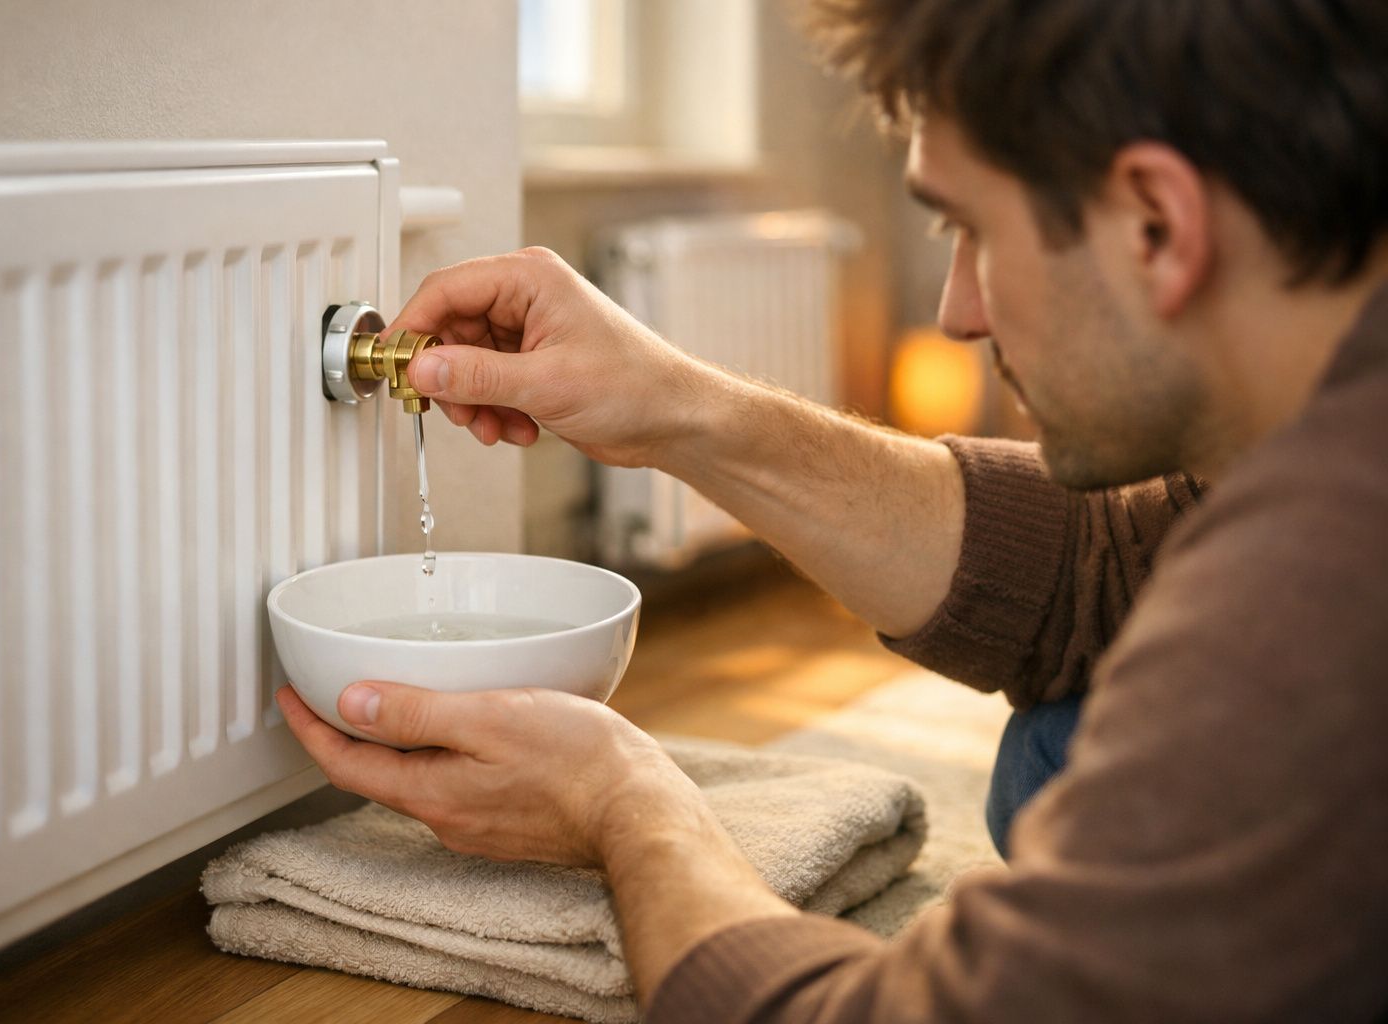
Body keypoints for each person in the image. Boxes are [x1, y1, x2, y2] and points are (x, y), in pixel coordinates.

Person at [274, 0, 1388, 1018]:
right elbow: (1105, 571)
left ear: (1157, 221)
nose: (956, 310)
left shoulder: (1325, 589)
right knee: (1056, 751)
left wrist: (625, 800)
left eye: (974, 232)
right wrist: (678, 408)